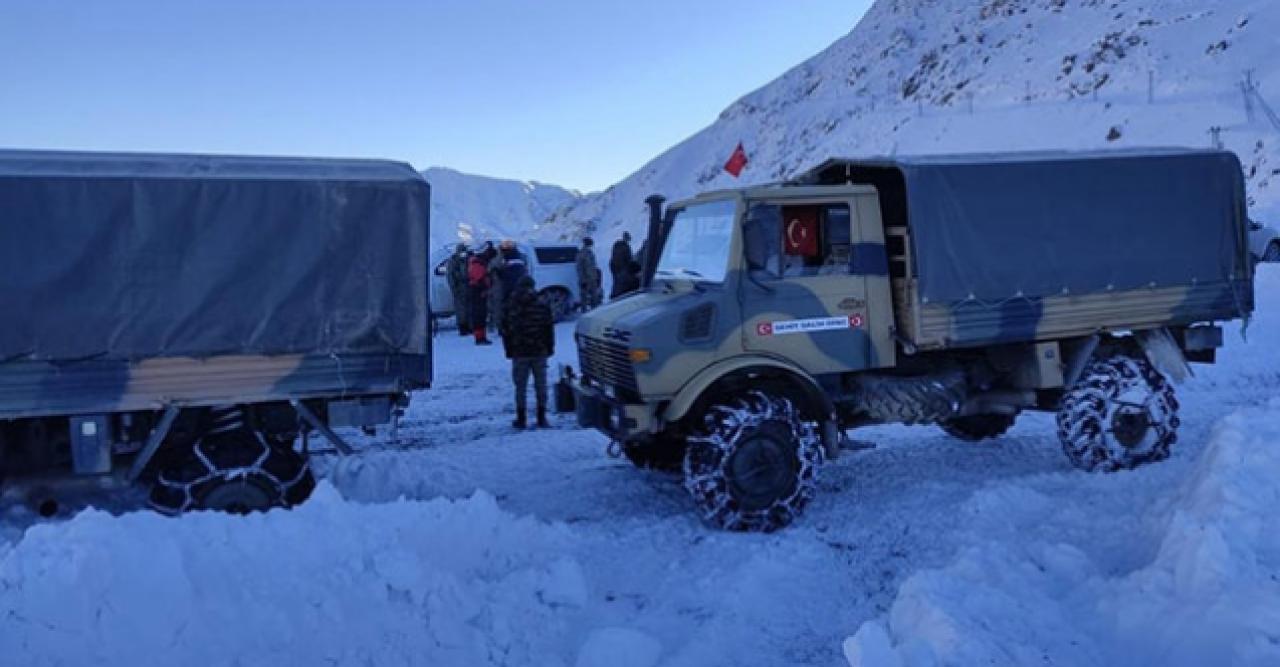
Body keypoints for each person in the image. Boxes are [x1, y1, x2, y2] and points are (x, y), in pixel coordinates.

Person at [501, 275, 554, 429]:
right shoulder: (542, 304)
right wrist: (550, 348)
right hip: (539, 350)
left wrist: (509, 350)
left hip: (519, 351)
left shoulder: (511, 304)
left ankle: (521, 417)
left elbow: (505, 331)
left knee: (520, 386)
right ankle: (541, 417)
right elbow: (548, 329)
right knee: (541, 385)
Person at [491, 239, 529, 333]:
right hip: (518, 286)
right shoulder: (520, 256)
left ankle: (505, 327)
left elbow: (505, 272)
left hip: (507, 286)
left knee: (506, 308)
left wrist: (497, 272)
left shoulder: (506, 258)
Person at [468, 243, 496, 345]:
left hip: (478, 291)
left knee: (481, 315)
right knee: (479, 315)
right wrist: (485, 286)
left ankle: (481, 336)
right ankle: (480, 338)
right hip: (478, 292)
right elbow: (479, 279)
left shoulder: (477, 262)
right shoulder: (477, 264)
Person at [445, 243, 471, 335]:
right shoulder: (453, 261)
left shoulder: (468, 260)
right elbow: (450, 276)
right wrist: (454, 288)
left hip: (468, 287)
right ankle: (462, 327)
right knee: (460, 310)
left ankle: (468, 326)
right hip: (459, 287)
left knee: (468, 308)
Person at [575, 237, 602, 311]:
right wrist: (583, 280)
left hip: (592, 278)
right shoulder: (581, 254)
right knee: (584, 298)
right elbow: (579, 268)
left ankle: (594, 311)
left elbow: (593, 266)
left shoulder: (590, 253)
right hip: (586, 279)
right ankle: (584, 312)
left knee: (594, 297)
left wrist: (596, 277)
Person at [609, 231, 636, 300]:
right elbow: (628, 259)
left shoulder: (617, 244)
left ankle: (613, 295)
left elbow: (613, 255)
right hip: (621, 267)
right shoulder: (626, 247)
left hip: (613, 266)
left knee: (616, 281)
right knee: (622, 282)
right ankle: (619, 296)